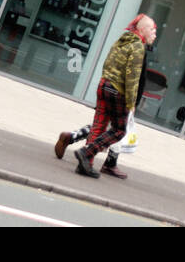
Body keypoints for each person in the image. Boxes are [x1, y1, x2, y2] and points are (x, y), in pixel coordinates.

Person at [55, 14, 156, 179]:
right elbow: (133, 78)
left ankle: (85, 164)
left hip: (104, 85)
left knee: (98, 126)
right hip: (117, 91)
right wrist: (131, 104)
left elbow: (108, 63)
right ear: (143, 30)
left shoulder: (122, 40)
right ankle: (87, 152)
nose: (154, 32)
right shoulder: (138, 46)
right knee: (119, 130)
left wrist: (106, 81)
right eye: (152, 29)